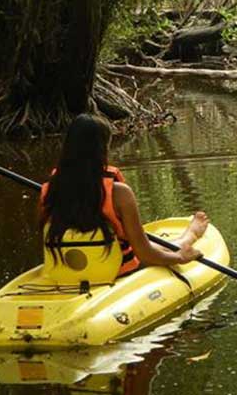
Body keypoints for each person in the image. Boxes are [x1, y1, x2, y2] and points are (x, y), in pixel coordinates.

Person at [40, 113, 208, 277]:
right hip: (115, 270)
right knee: (152, 246)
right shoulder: (119, 193)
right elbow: (144, 254)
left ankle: (187, 238)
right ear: (103, 147)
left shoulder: (49, 189)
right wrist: (180, 257)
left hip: (65, 273)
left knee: (153, 243)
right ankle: (188, 239)